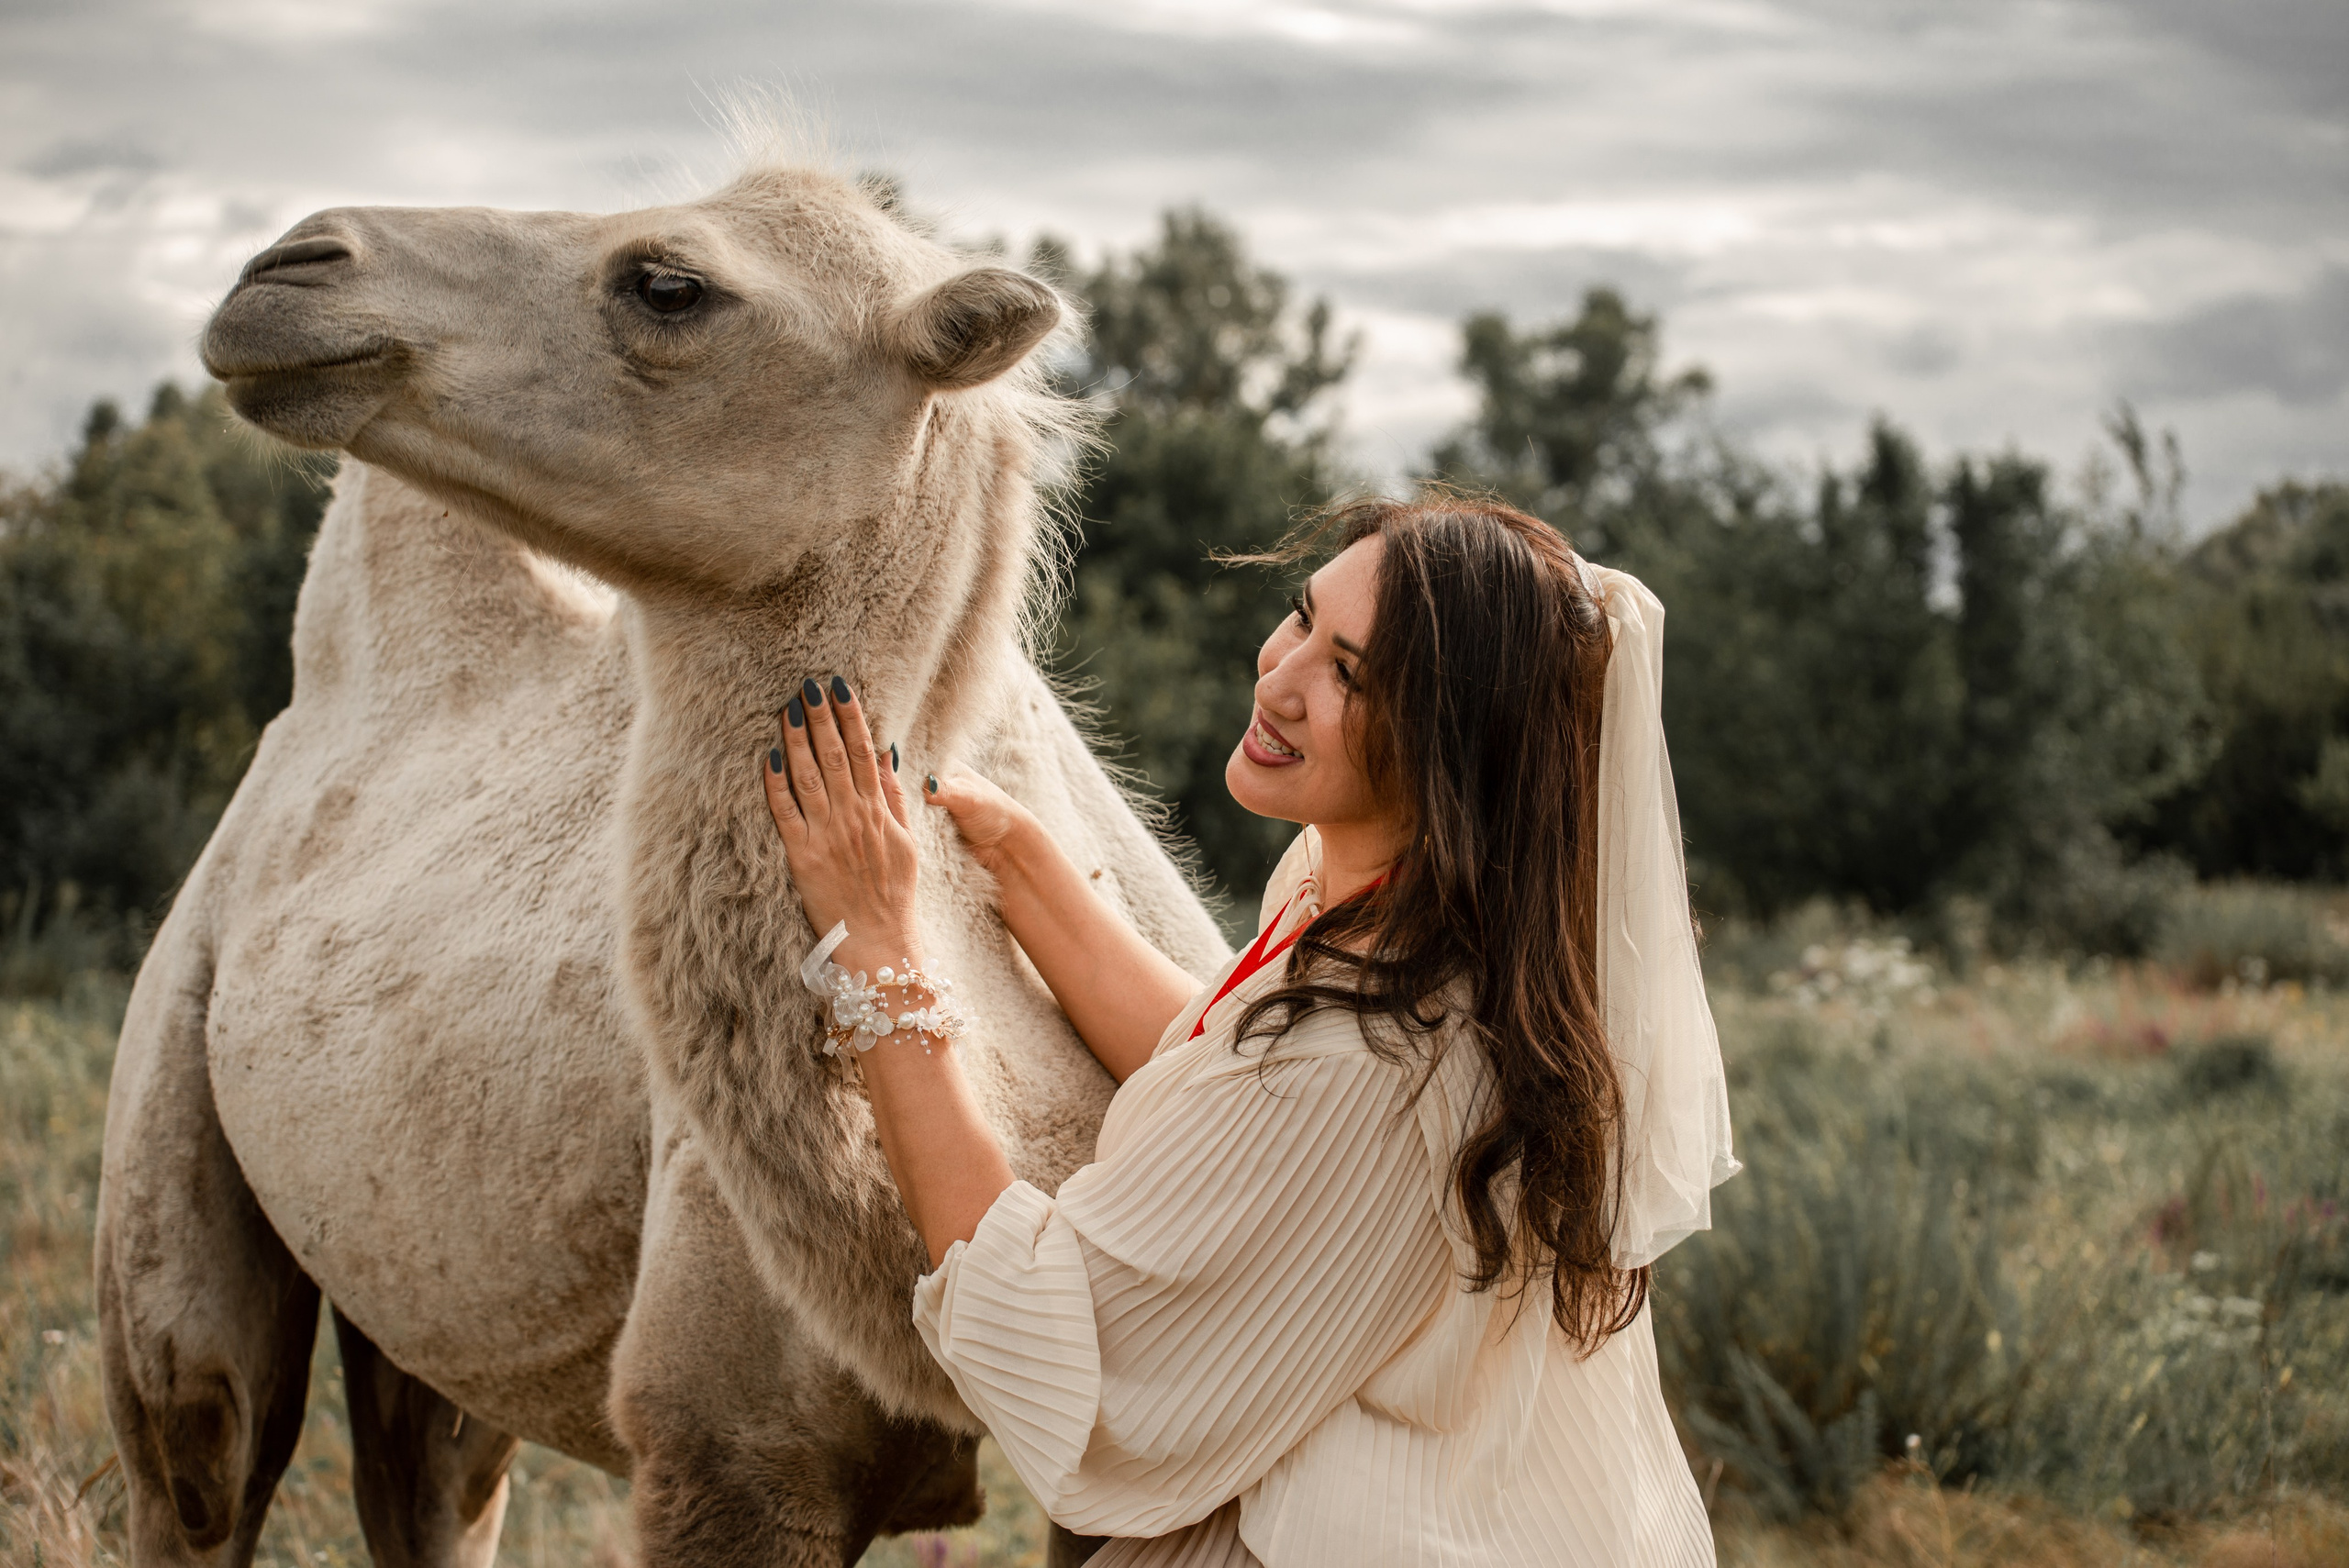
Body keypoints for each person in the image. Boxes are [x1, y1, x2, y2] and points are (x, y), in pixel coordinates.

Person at [760, 495, 1739, 1566]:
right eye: (1299, 616)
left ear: (1452, 749)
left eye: (1350, 675)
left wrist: (878, 954)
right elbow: (1217, 1051)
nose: (1278, 678)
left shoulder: (1374, 1064)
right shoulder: (1412, 917)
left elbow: (1060, 1339)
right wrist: (1026, 868)